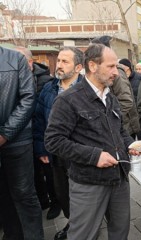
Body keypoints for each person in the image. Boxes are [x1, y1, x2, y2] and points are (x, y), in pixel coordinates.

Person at [44, 44, 136, 239]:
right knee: (84, 235)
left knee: (120, 231)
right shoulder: (68, 100)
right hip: (88, 183)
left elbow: (119, 130)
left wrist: (129, 144)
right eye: (111, 67)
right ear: (93, 66)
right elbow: (53, 141)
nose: (116, 73)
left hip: (119, 178)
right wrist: (95, 156)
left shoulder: (110, 96)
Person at [34, 46, 85, 240]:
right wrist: (41, 149)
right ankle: (73, 225)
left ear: (78, 67)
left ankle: (87, 227)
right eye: (59, 61)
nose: (59, 65)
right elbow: (39, 120)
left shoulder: (88, 89)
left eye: (65, 62)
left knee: (83, 195)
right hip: (56, 154)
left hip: (81, 153)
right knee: (63, 195)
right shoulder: (49, 88)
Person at [0, 46, 44, 239]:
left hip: (17, 142)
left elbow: (28, 99)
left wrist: (5, 134)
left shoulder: (15, 59)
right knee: (3, 198)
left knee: (24, 195)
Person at [15, 46, 61, 220]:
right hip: (22, 135)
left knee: (49, 172)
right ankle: (43, 201)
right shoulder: (15, 78)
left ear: (29, 62)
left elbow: (44, 115)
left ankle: (55, 202)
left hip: (42, 135)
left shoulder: (46, 82)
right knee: (33, 173)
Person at [92, 36, 141, 139]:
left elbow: (126, 101)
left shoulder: (117, 73)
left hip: (123, 128)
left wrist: (109, 119)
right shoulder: (97, 73)